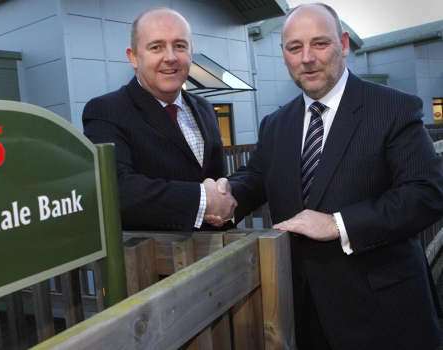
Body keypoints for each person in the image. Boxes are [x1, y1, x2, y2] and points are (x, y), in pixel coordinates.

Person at [212, 3, 443, 349]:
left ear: (344, 44)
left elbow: (428, 192)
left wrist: (339, 224)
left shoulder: (392, 108)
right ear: (285, 54)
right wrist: (224, 196)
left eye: (319, 43)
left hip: (384, 315)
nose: (307, 58)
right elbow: (255, 177)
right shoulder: (276, 124)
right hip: (305, 313)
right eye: (295, 47)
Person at [82, 7, 236, 231]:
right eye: (156, 47)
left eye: (180, 46)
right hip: (153, 259)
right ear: (133, 57)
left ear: (191, 53)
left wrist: (222, 194)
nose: (171, 57)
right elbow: (117, 189)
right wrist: (202, 200)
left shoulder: (204, 109)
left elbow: (215, 180)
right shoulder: (106, 110)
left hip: (215, 253)